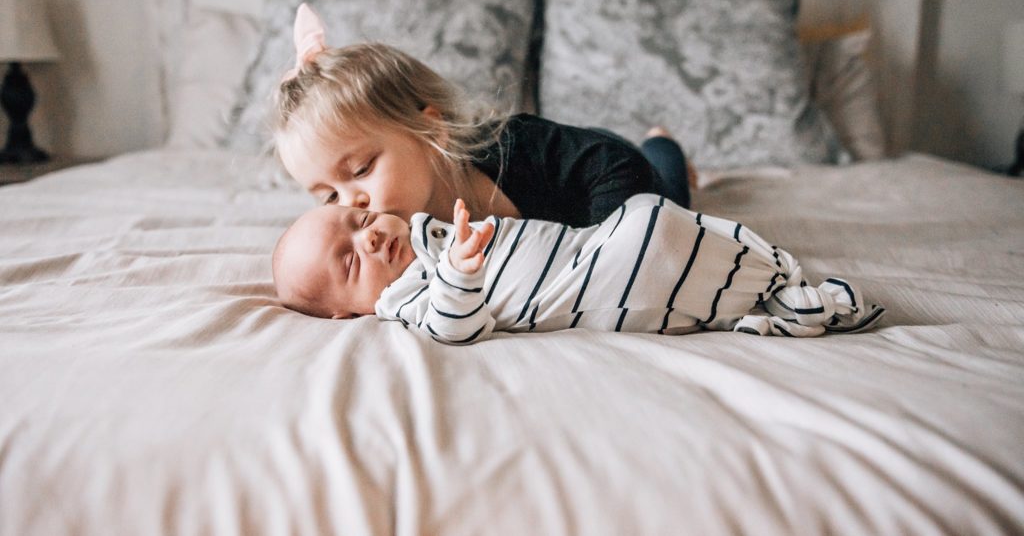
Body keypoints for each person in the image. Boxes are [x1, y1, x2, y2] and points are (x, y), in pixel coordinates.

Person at [272, 4, 693, 228]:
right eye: (328, 197)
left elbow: (616, 167)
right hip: (582, 162)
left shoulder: (519, 148)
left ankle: (663, 142)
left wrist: (604, 245)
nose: (351, 202)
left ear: (430, 130)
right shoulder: (389, 231)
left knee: (670, 197)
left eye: (361, 169)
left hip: (602, 167)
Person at [272, 194, 885, 345]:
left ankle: (773, 284)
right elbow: (453, 328)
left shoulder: (426, 231)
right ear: (343, 311)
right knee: (653, 247)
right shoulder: (403, 300)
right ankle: (775, 296)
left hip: (585, 246)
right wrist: (459, 270)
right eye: (351, 259)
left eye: (358, 218)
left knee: (652, 217)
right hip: (590, 284)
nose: (372, 235)